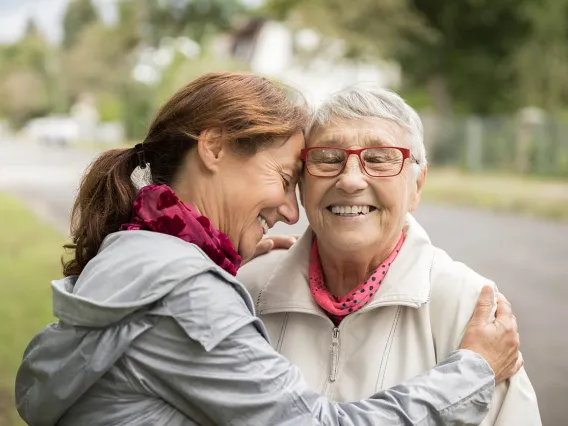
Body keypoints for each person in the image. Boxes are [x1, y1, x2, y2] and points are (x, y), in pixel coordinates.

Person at [16, 72, 521, 426]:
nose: (290, 209)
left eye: (381, 160)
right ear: (213, 148)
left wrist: (214, 274)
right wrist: (472, 372)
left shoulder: (140, 255)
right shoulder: (191, 293)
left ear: (418, 182)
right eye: (288, 176)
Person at [238, 84, 541, 425]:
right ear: (302, 185)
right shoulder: (246, 290)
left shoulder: (469, 306)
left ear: (417, 186)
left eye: (379, 160)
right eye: (328, 158)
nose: (350, 181)